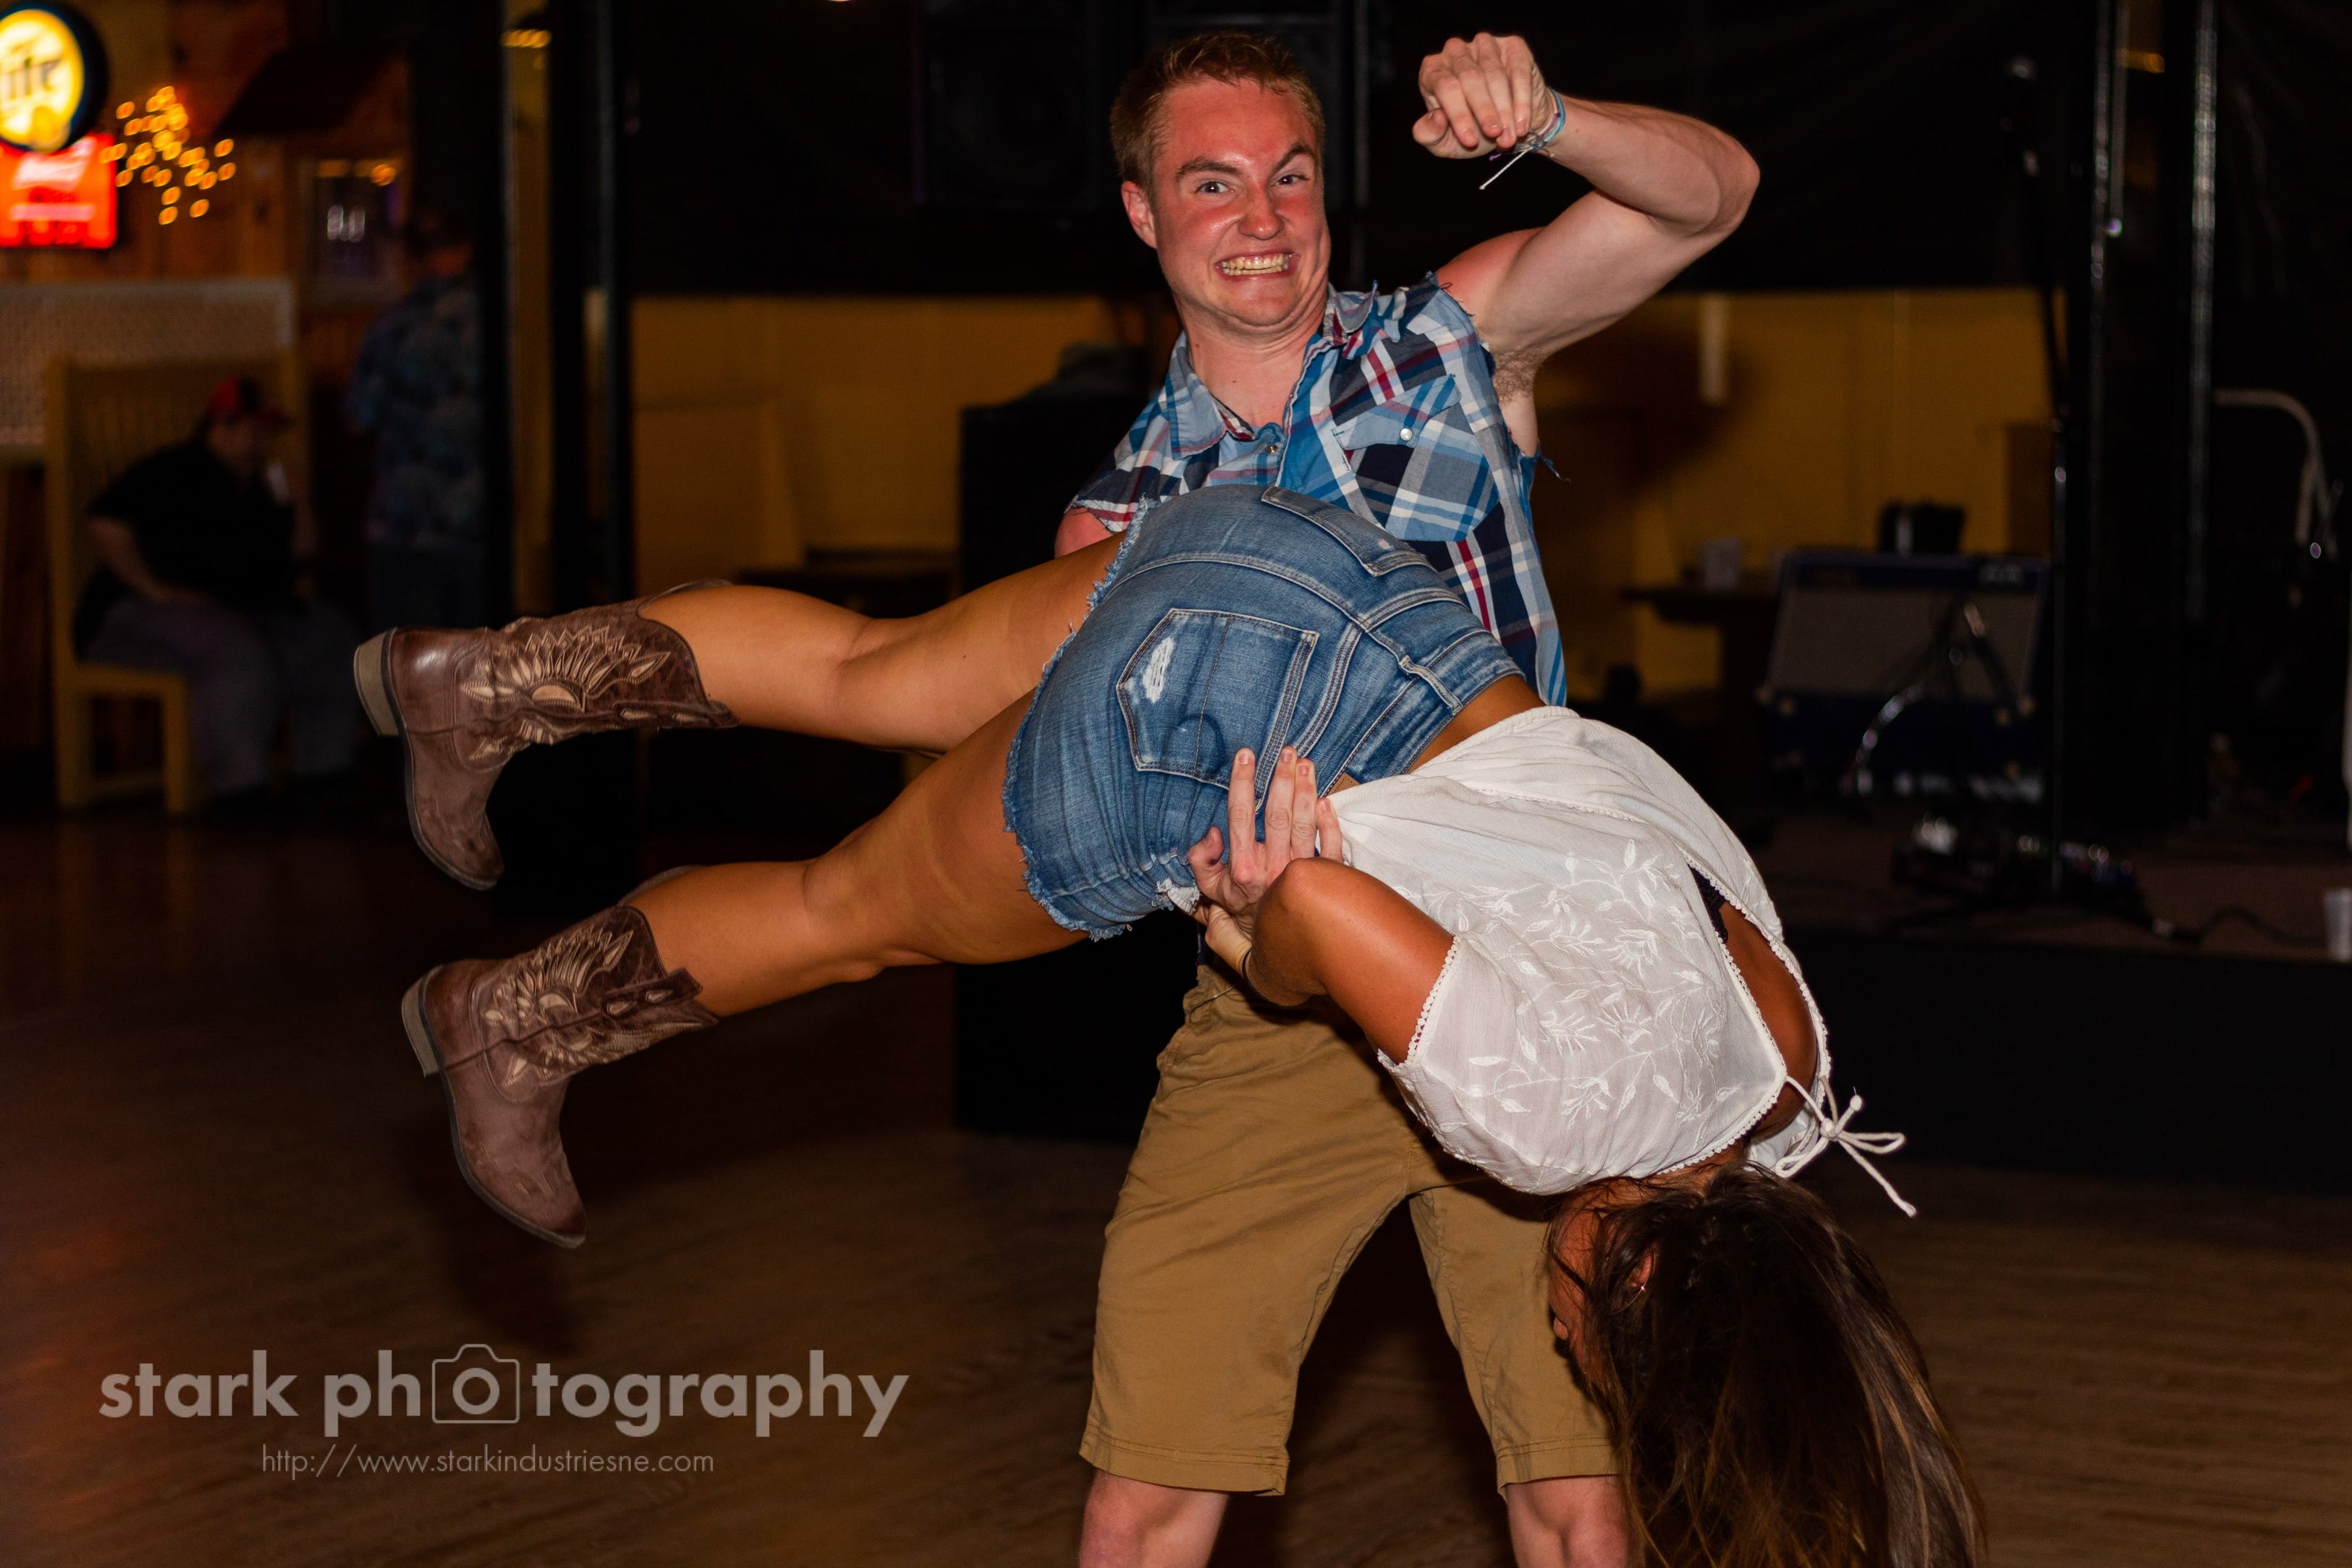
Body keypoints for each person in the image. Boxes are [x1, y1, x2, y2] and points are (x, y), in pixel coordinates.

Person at [359, 482, 1979, 1568]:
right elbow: (1315, 905)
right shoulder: (1550, 1114)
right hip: (1216, 719)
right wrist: (1261, 940)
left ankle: (474, 683)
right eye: (1593, 1344)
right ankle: (511, 1024)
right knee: (845, 912)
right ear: (1641, 1276)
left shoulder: (1785, 1076)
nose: (1567, 1345)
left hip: (1327, 575)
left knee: (869, 668)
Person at [1049, 30, 1759, 1565]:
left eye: (1289, 176)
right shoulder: (1114, 525)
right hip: (1287, 998)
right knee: (1145, 1491)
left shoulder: (1445, 345)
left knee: (1576, 1495)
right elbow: (1110, 816)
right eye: (1212, 183)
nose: (1260, 217)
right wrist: (1219, 882)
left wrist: (1552, 116)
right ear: (1143, 213)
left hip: (1537, 961)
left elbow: (1712, 196)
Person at [75, 376, 360, 801]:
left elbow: (304, 551)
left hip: (241, 607)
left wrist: (298, 500)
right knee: (235, 648)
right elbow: (104, 520)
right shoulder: (173, 470)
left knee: (328, 634)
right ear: (221, 426)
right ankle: (239, 788)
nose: (262, 441)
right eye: (252, 429)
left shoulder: (264, 483)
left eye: (267, 432)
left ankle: (323, 775)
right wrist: (152, 589)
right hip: (135, 614)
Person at [347, 207, 486, 631]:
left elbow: (359, 418)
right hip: (480, 524)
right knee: (482, 658)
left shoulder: (392, 329)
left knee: (404, 656)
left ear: (409, 259)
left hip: (406, 524)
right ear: (466, 250)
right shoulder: (505, 323)